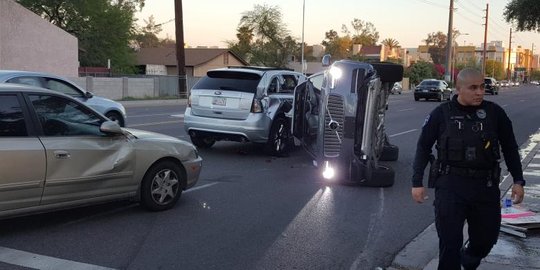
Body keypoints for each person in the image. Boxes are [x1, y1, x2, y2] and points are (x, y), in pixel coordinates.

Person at [410, 68, 525, 270]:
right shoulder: (441, 114)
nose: (480, 92)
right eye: (473, 88)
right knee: (449, 244)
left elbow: (510, 147)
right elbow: (423, 147)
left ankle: (470, 258)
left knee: (486, 239)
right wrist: (417, 182)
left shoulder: (494, 113)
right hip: (450, 186)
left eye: (482, 86)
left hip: (485, 186)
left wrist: (518, 180)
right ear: (459, 88)